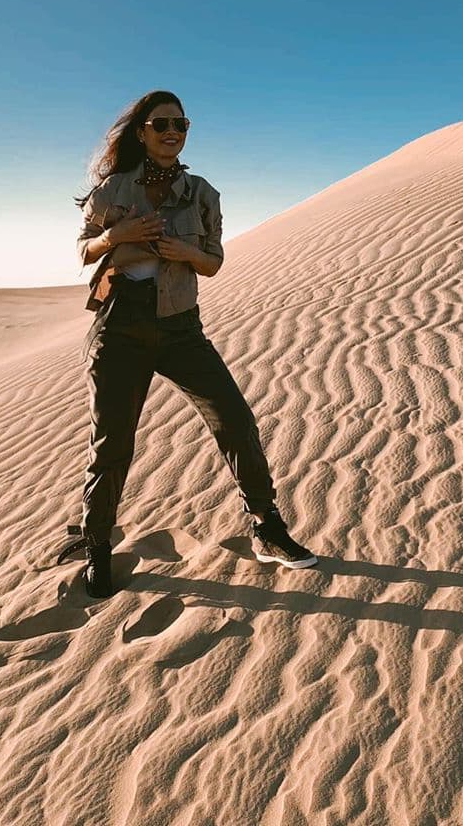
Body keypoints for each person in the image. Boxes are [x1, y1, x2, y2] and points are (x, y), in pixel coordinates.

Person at [69, 89, 317, 597]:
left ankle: (267, 529)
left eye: (180, 124)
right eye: (161, 124)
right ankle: (97, 546)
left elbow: (213, 261)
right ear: (142, 132)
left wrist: (184, 250)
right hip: (119, 326)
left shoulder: (202, 193)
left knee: (234, 419)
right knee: (112, 442)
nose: (172, 132)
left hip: (180, 325)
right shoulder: (113, 190)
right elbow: (82, 251)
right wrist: (115, 238)